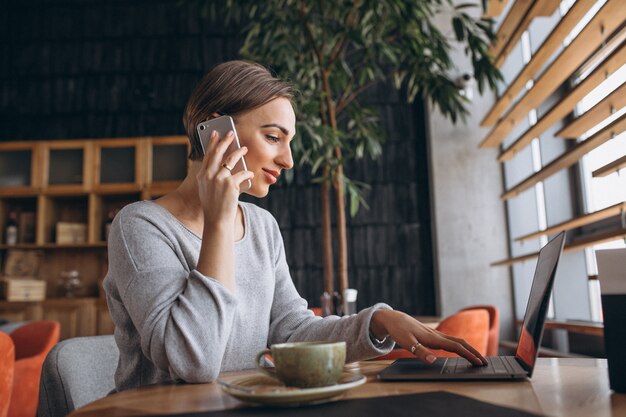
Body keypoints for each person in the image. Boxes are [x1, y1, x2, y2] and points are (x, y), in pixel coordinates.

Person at [103, 60, 487, 392]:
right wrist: (219, 220)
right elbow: (194, 362)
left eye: (289, 142)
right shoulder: (139, 227)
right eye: (273, 137)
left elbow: (291, 330)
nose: (287, 160)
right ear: (215, 130)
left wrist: (378, 321)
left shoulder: (262, 227)